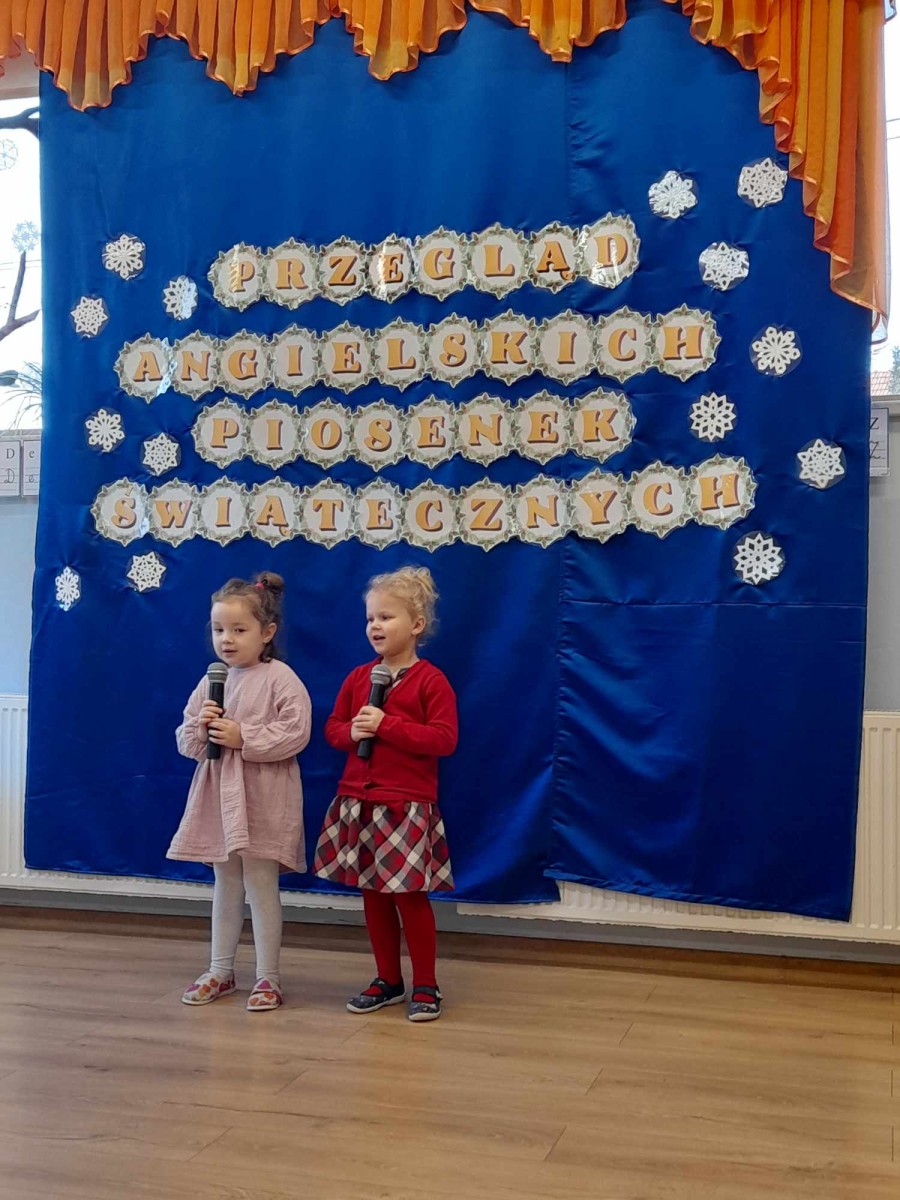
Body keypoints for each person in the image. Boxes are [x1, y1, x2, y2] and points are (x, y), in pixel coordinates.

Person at [313, 566, 458, 1022]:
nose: (375, 626)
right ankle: (388, 979)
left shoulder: (431, 680)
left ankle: (426, 984)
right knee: (372, 895)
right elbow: (333, 729)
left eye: (386, 617)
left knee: (409, 897)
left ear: (416, 625)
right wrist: (351, 731)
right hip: (359, 801)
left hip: (405, 805)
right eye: (370, 618)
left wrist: (387, 725)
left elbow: (444, 739)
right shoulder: (360, 678)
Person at [169, 571, 311, 1011]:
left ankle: (269, 977)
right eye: (218, 629)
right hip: (219, 797)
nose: (226, 639)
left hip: (264, 798)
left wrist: (243, 736)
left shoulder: (280, 677)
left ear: (266, 632)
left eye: (238, 629)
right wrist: (201, 728)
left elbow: (296, 732)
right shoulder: (212, 681)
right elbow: (187, 741)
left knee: (260, 883)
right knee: (226, 882)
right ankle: (220, 969)